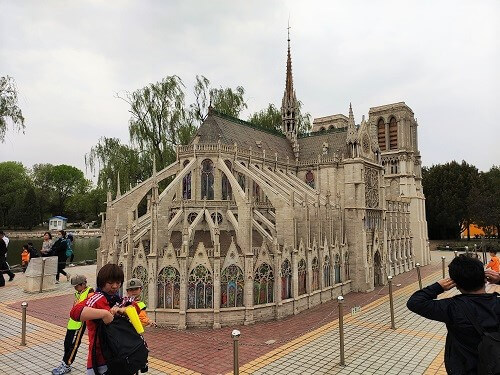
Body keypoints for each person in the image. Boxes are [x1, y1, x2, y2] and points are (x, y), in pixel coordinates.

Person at [407, 254, 500, 374]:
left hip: (464, 369)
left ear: (456, 284)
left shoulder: (452, 307)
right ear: (485, 278)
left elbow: (415, 302)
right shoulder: (497, 303)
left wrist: (438, 287)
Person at [70, 263, 141, 375]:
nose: (115, 286)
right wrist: (104, 314)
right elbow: (75, 312)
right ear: (102, 282)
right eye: (110, 283)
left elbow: (136, 307)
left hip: (121, 357)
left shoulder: (119, 300)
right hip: (100, 360)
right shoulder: (96, 298)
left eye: (118, 283)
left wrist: (124, 310)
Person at [52, 275, 94, 375]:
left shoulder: (90, 292)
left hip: (80, 323)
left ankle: (66, 364)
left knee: (74, 345)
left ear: (83, 284)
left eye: (76, 286)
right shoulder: (78, 293)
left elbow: (89, 304)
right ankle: (65, 361)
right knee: (67, 343)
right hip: (72, 322)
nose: (75, 288)